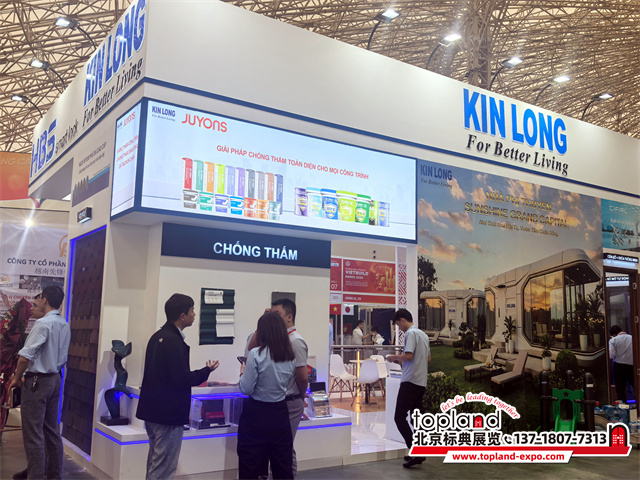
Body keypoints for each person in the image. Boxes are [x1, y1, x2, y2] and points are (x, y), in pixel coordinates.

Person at [136, 294, 219, 480]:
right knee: (163, 470)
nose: (194, 314)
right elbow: (181, 378)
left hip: (152, 412)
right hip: (168, 415)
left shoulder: (156, 337)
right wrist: (206, 371)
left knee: (154, 465)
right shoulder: (173, 341)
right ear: (182, 316)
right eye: (192, 310)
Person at [9, 286, 71, 480]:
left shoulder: (43, 324)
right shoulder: (64, 324)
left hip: (37, 381)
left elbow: (24, 358)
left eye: (40, 298)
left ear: (45, 299)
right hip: (55, 379)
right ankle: (53, 474)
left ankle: (35, 475)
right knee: (52, 430)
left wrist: (16, 378)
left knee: (33, 432)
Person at [237, 311, 296, 479]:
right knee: (282, 466)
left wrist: (242, 373)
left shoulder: (256, 354)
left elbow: (246, 389)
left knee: (250, 466)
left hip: (256, 415)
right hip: (280, 414)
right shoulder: (290, 356)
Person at [386, 308, 430, 469]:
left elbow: (409, 355)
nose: (400, 328)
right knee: (415, 418)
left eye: (399, 325)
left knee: (399, 417)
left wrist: (393, 357)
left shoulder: (410, 334)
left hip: (409, 382)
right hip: (421, 381)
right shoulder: (423, 335)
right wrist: (401, 362)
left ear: (402, 320)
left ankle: (416, 451)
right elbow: (427, 359)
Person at [271, 298, 308, 478]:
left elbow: (302, 376)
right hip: (279, 402)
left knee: (284, 448)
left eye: (276, 314)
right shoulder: (279, 339)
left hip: (291, 401)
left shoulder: (295, 342)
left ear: (289, 317)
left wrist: (301, 396)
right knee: (280, 447)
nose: (273, 318)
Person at [609, 324, 634, 403]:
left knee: (620, 388)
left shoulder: (613, 340)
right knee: (635, 385)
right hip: (632, 366)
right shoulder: (632, 338)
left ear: (613, 334)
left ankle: (623, 404)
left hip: (619, 366)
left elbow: (611, 355)